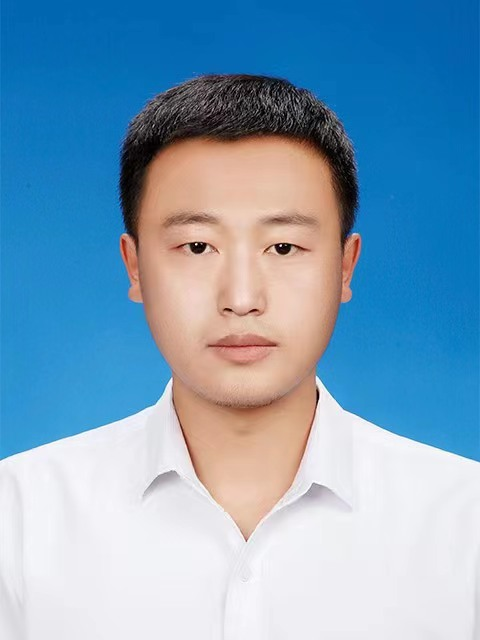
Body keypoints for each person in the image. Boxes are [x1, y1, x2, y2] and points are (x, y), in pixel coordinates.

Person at [1, 73, 478, 640]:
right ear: (135, 266)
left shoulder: (463, 524)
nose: (242, 298)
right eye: (197, 246)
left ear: (345, 266)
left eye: (284, 247)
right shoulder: (19, 518)